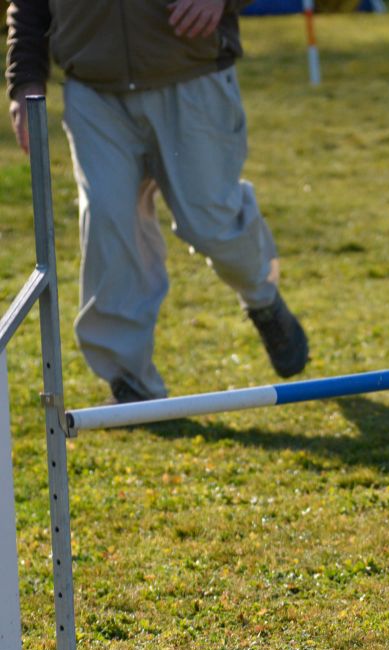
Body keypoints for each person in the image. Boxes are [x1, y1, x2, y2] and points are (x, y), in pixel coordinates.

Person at [6, 0, 309, 403]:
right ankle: (131, 380)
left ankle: (263, 299)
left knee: (212, 223)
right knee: (109, 225)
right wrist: (24, 77)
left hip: (192, 75)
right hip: (93, 90)